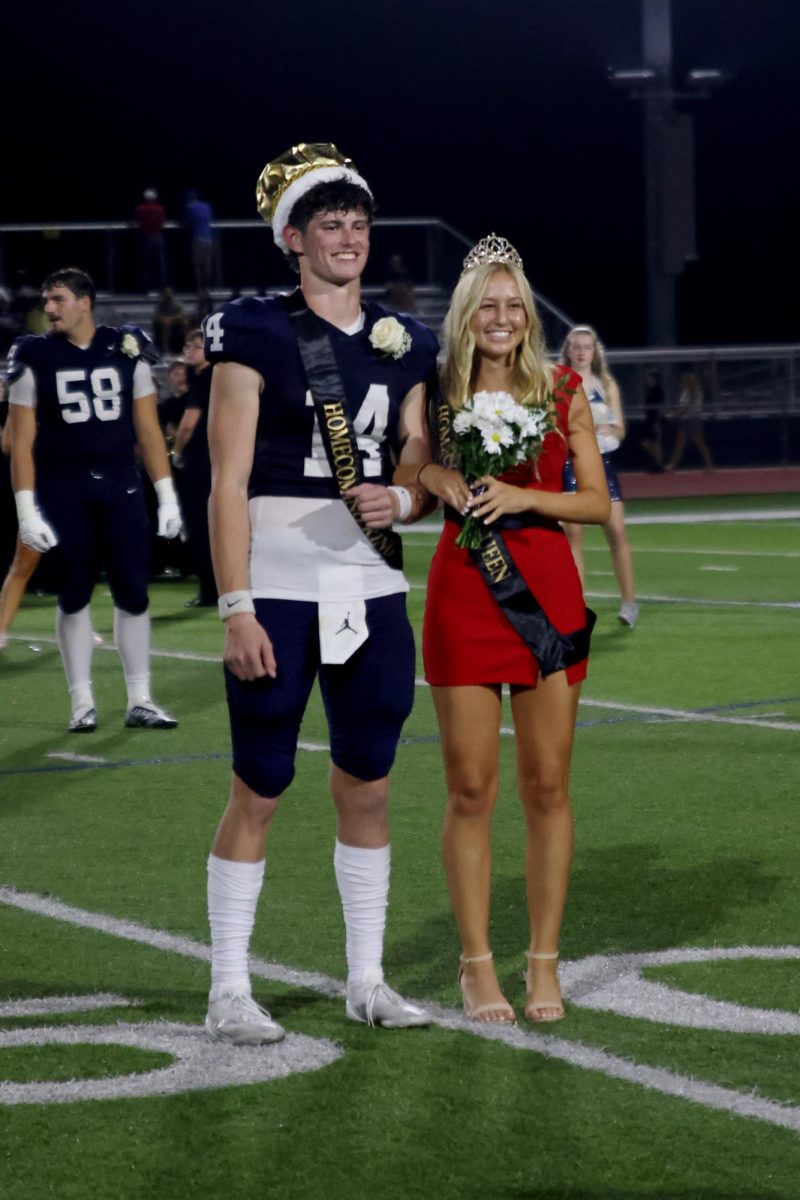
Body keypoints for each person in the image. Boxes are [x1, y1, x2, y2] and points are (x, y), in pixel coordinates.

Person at [202, 142, 438, 1044]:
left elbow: (417, 458)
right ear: (293, 238)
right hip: (278, 587)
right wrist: (236, 605)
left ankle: (366, 980)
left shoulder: (406, 340)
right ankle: (229, 988)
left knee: (368, 787)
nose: (348, 237)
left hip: (371, 587)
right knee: (259, 786)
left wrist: (408, 496)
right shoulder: (256, 328)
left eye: (359, 223)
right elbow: (226, 482)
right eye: (330, 224)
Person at [394, 235, 609, 1024]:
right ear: (465, 312)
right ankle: (476, 963)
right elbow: (407, 470)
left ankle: (543, 961)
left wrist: (526, 500)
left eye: (513, 304)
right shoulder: (435, 385)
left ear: (528, 315)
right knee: (470, 787)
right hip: (463, 593)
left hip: (545, 595)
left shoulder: (562, 388)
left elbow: (595, 501)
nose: (502, 317)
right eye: (487, 303)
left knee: (548, 786)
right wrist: (435, 475)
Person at [6, 266, 182, 731]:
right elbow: (20, 441)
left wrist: (166, 496)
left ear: (86, 302)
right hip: (64, 485)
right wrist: (26, 510)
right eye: (47, 299)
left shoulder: (125, 345)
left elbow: (146, 428)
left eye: (58, 299)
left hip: (121, 482)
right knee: (74, 593)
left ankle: (140, 698)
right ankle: (81, 701)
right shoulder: (33, 353)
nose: (49, 308)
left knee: (134, 592)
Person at [559, 325, 639, 628]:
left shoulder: (606, 384)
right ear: (568, 350)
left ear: (594, 352)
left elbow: (620, 429)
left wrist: (608, 430)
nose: (581, 351)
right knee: (572, 535)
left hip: (601, 464)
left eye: (587, 347)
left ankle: (629, 602)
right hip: (570, 463)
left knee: (616, 531)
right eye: (576, 346)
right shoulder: (557, 381)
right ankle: (577, 606)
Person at [172, 329, 216, 607]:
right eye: (188, 345)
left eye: (197, 346)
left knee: (201, 526)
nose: (190, 350)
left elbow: (190, 421)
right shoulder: (222, 374)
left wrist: (176, 452)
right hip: (222, 456)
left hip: (201, 459)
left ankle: (210, 589)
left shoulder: (206, 377)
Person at [664, 369, 714, 471]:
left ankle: (710, 465)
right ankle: (672, 465)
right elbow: (683, 407)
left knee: (699, 443)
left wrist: (672, 415)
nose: (683, 383)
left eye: (686, 381)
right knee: (679, 443)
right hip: (685, 420)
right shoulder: (686, 392)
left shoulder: (695, 392)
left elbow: (686, 408)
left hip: (692, 420)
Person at [133, 189, 167, 294]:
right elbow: (163, 222)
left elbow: (137, 221)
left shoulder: (140, 209)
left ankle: (147, 288)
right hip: (158, 237)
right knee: (160, 264)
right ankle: (162, 288)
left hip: (146, 238)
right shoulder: (160, 209)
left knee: (146, 265)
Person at [183, 190, 215, 297]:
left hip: (197, 239)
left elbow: (187, 223)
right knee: (207, 265)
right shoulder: (206, 206)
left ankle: (200, 289)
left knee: (197, 265)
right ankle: (208, 288)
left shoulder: (189, 208)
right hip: (208, 238)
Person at [640, 367, 665, 471]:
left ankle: (658, 463)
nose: (648, 379)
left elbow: (659, 407)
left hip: (654, 420)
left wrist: (657, 422)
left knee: (655, 442)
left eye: (650, 377)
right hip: (649, 419)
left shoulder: (658, 391)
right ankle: (656, 461)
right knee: (647, 442)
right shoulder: (650, 390)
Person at [152, 288, 188, 355]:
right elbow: (156, 315)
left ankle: (184, 346)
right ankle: (165, 348)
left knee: (185, 323)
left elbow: (181, 314)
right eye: (166, 294)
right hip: (164, 323)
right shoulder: (161, 305)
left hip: (176, 322)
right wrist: (164, 319)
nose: (167, 296)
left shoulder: (177, 304)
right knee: (164, 325)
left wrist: (171, 319)